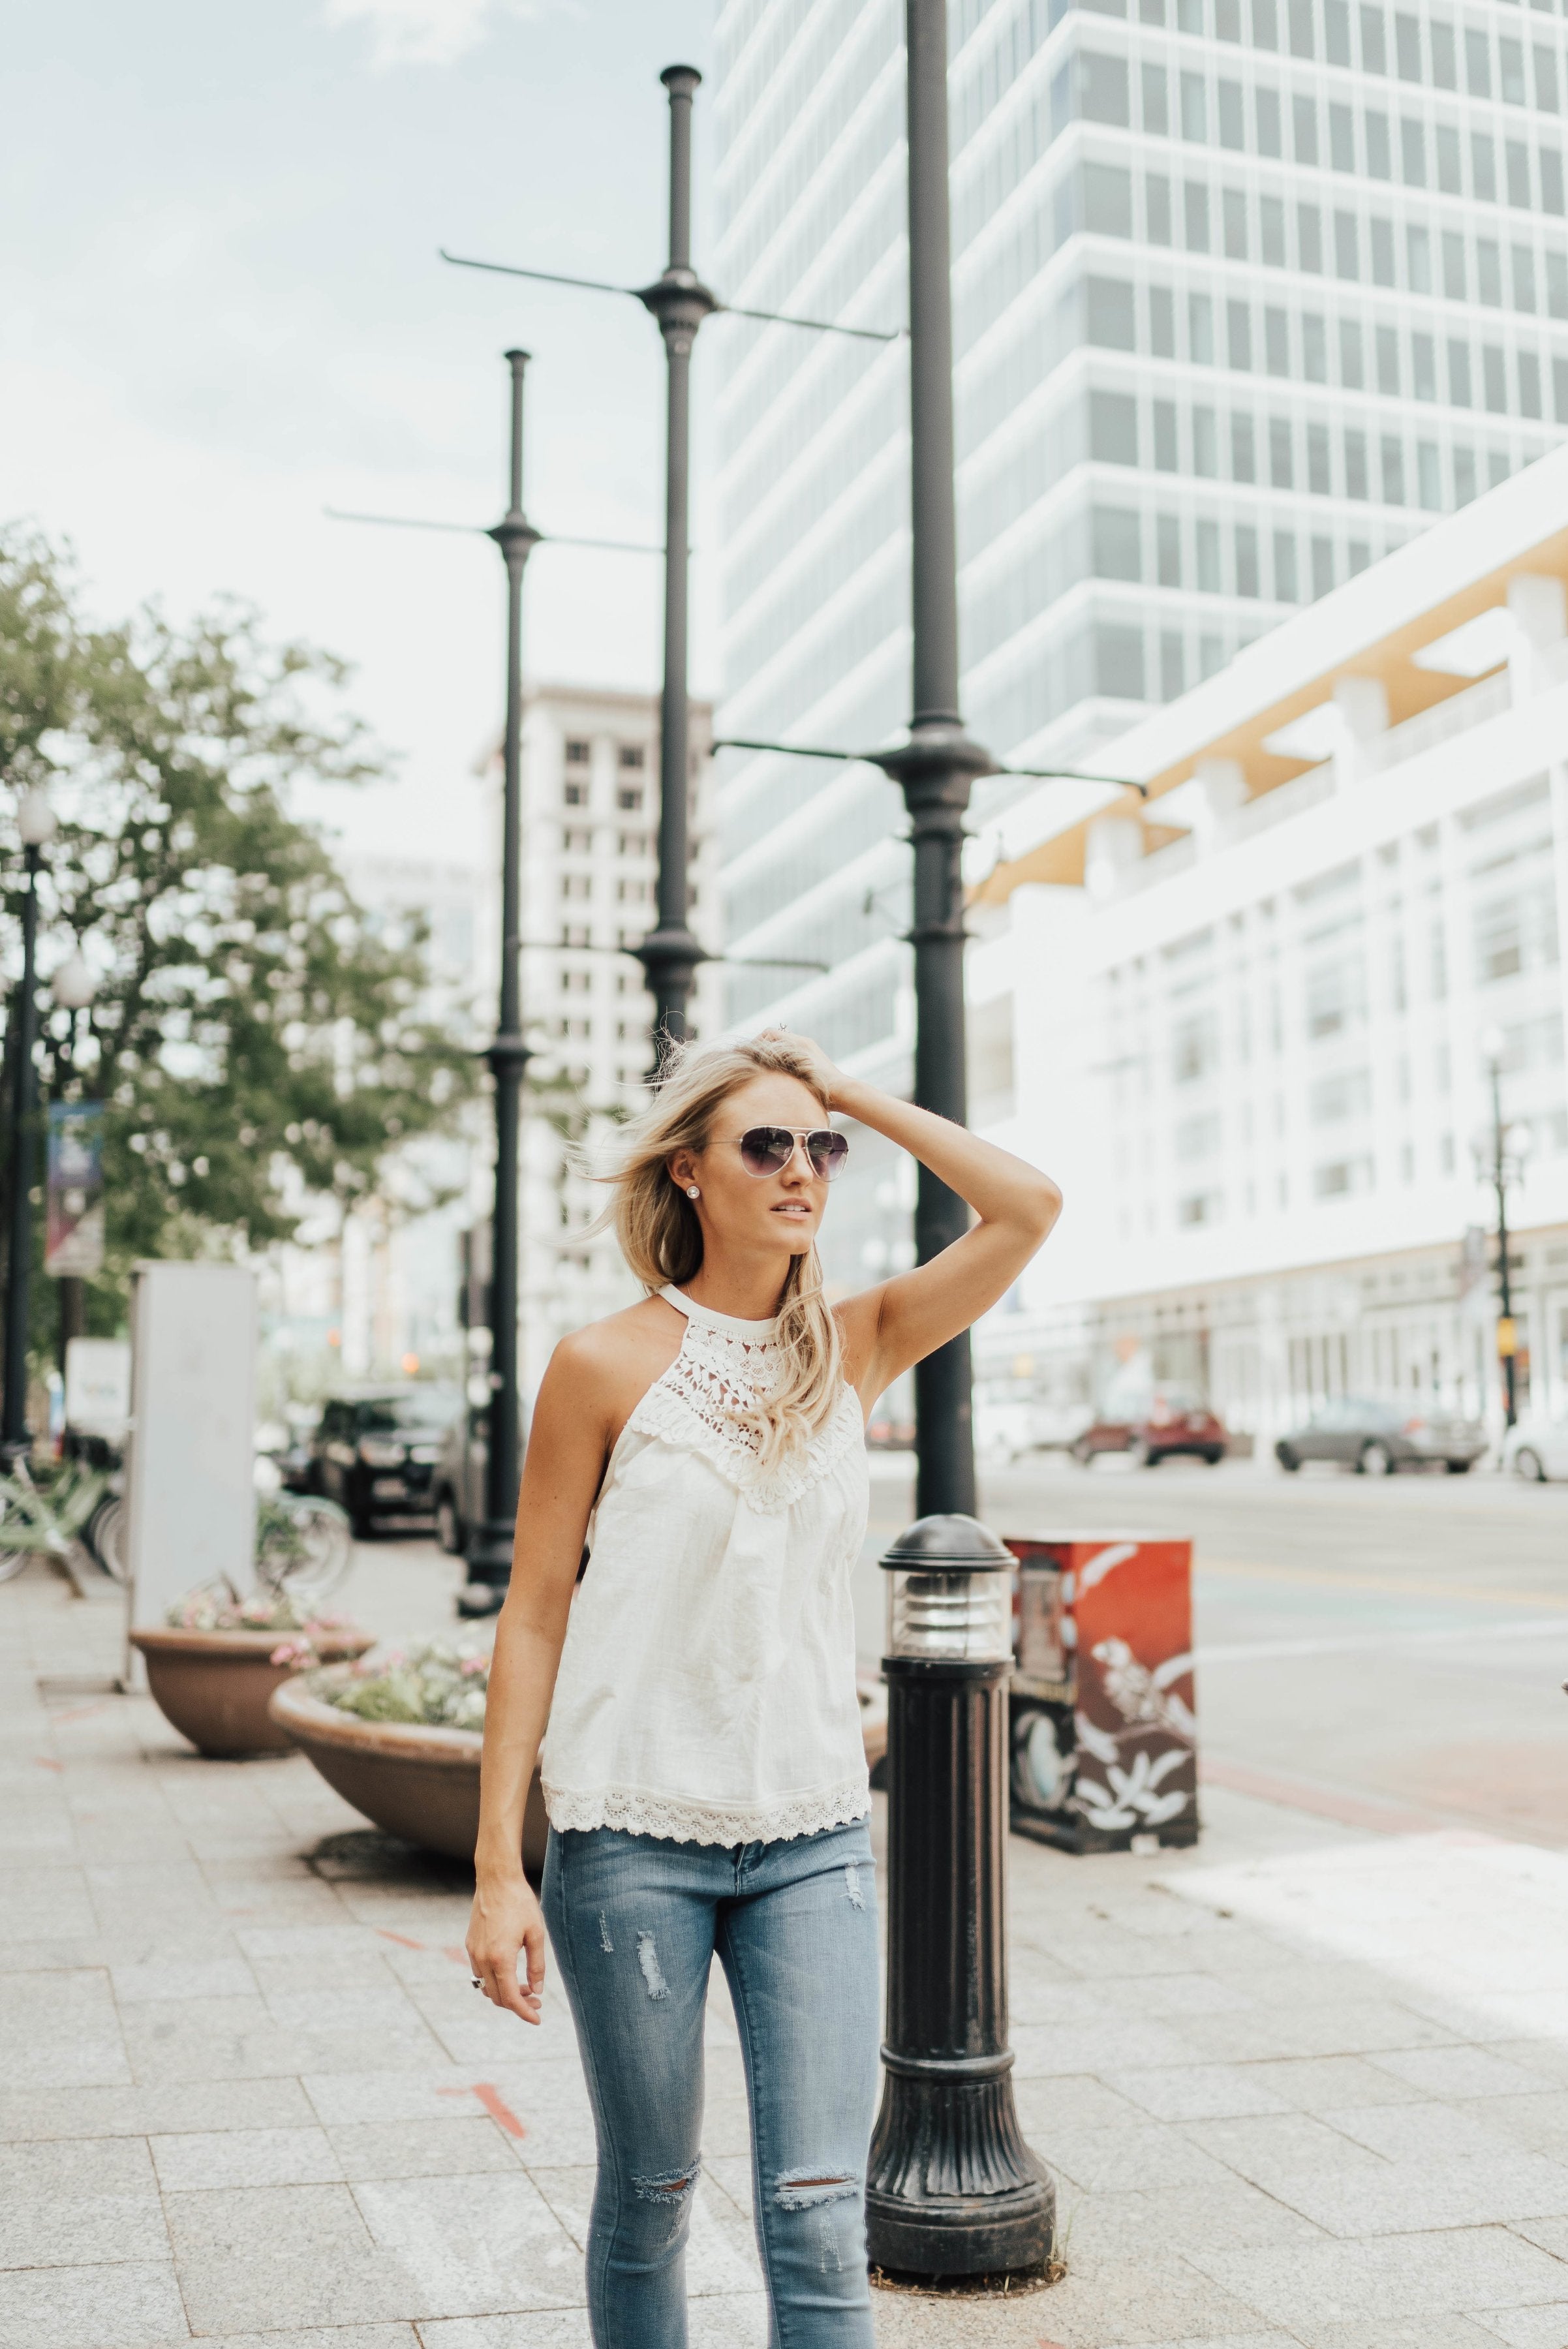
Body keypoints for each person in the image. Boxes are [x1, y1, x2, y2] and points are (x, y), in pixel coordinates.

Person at [466, 1028, 1061, 2347]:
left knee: (813, 2208)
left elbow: (1027, 1207)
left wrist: (842, 1090)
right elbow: (533, 1614)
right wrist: (500, 1865)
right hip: (628, 1836)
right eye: (766, 1143)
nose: (802, 1169)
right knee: (652, 2190)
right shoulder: (604, 1363)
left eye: (820, 1148)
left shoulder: (853, 1346)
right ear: (687, 1171)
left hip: (812, 1833)